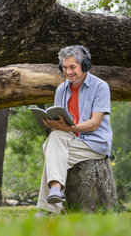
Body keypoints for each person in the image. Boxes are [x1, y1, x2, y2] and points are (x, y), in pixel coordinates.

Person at [36, 45, 113, 215]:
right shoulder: (61, 89)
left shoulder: (101, 87)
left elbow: (94, 123)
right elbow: (62, 123)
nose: (68, 72)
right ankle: (56, 190)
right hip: (70, 138)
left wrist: (68, 127)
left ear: (84, 65)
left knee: (53, 155)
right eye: (64, 67)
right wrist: (54, 124)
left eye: (72, 67)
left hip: (94, 142)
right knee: (55, 137)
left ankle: (49, 210)